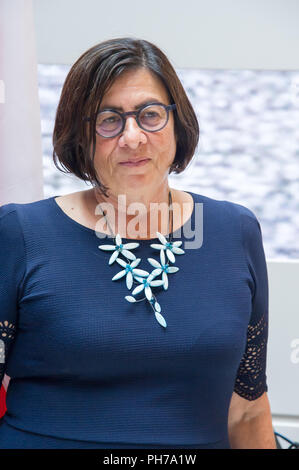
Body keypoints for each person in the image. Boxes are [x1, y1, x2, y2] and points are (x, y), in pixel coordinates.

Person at [0, 37, 276, 449]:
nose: (132, 137)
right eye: (108, 119)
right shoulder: (21, 232)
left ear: (177, 123)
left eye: (150, 115)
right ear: (81, 135)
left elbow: (248, 409)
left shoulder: (234, 231)